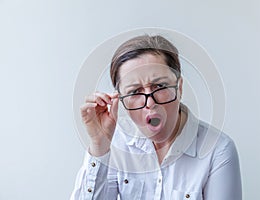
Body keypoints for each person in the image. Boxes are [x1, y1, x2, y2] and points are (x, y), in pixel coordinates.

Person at [71, 35, 242, 200]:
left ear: (179, 87)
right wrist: (99, 146)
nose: (150, 103)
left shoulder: (218, 150)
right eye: (134, 91)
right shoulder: (116, 142)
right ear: (120, 100)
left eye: (159, 86)